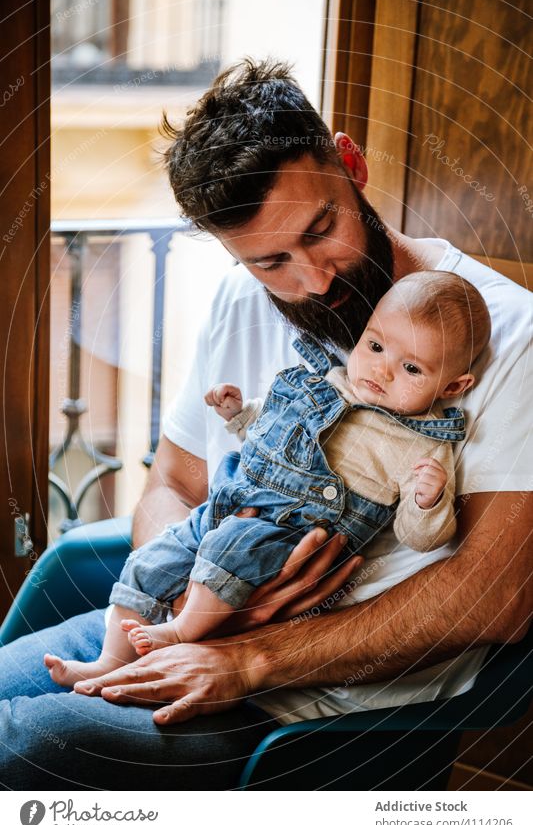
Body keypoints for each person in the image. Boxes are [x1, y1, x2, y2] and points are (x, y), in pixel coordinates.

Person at [0, 59, 531, 791]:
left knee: (19, 745)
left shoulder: (512, 336)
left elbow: (498, 594)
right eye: (270, 261)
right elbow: (171, 484)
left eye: (322, 228)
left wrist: (249, 652)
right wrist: (206, 598)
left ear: (349, 164)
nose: (312, 280)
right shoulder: (237, 303)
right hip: (172, 623)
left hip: (308, 705)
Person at [44, 272, 489, 685]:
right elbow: (274, 428)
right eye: (375, 347)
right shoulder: (329, 380)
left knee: (229, 547)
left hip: (289, 533)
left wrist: (427, 502)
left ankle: (180, 633)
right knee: (152, 561)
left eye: (411, 369)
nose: (383, 370)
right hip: (230, 499)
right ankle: (108, 661)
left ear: (452, 387)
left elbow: (422, 536)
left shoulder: (423, 445)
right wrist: (239, 415)